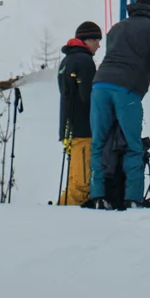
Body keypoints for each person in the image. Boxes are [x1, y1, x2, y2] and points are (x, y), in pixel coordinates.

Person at [91, 0, 150, 209]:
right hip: (126, 91)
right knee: (133, 144)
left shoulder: (116, 29)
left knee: (99, 143)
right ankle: (132, 198)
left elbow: (123, 61)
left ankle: (99, 196)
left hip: (100, 85)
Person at [57, 21, 100, 207]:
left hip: (69, 129)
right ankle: (63, 215)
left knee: (75, 178)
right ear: (87, 40)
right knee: (81, 184)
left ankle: (62, 210)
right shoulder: (84, 61)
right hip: (83, 129)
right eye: (96, 40)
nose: (98, 45)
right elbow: (88, 97)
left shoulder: (67, 60)